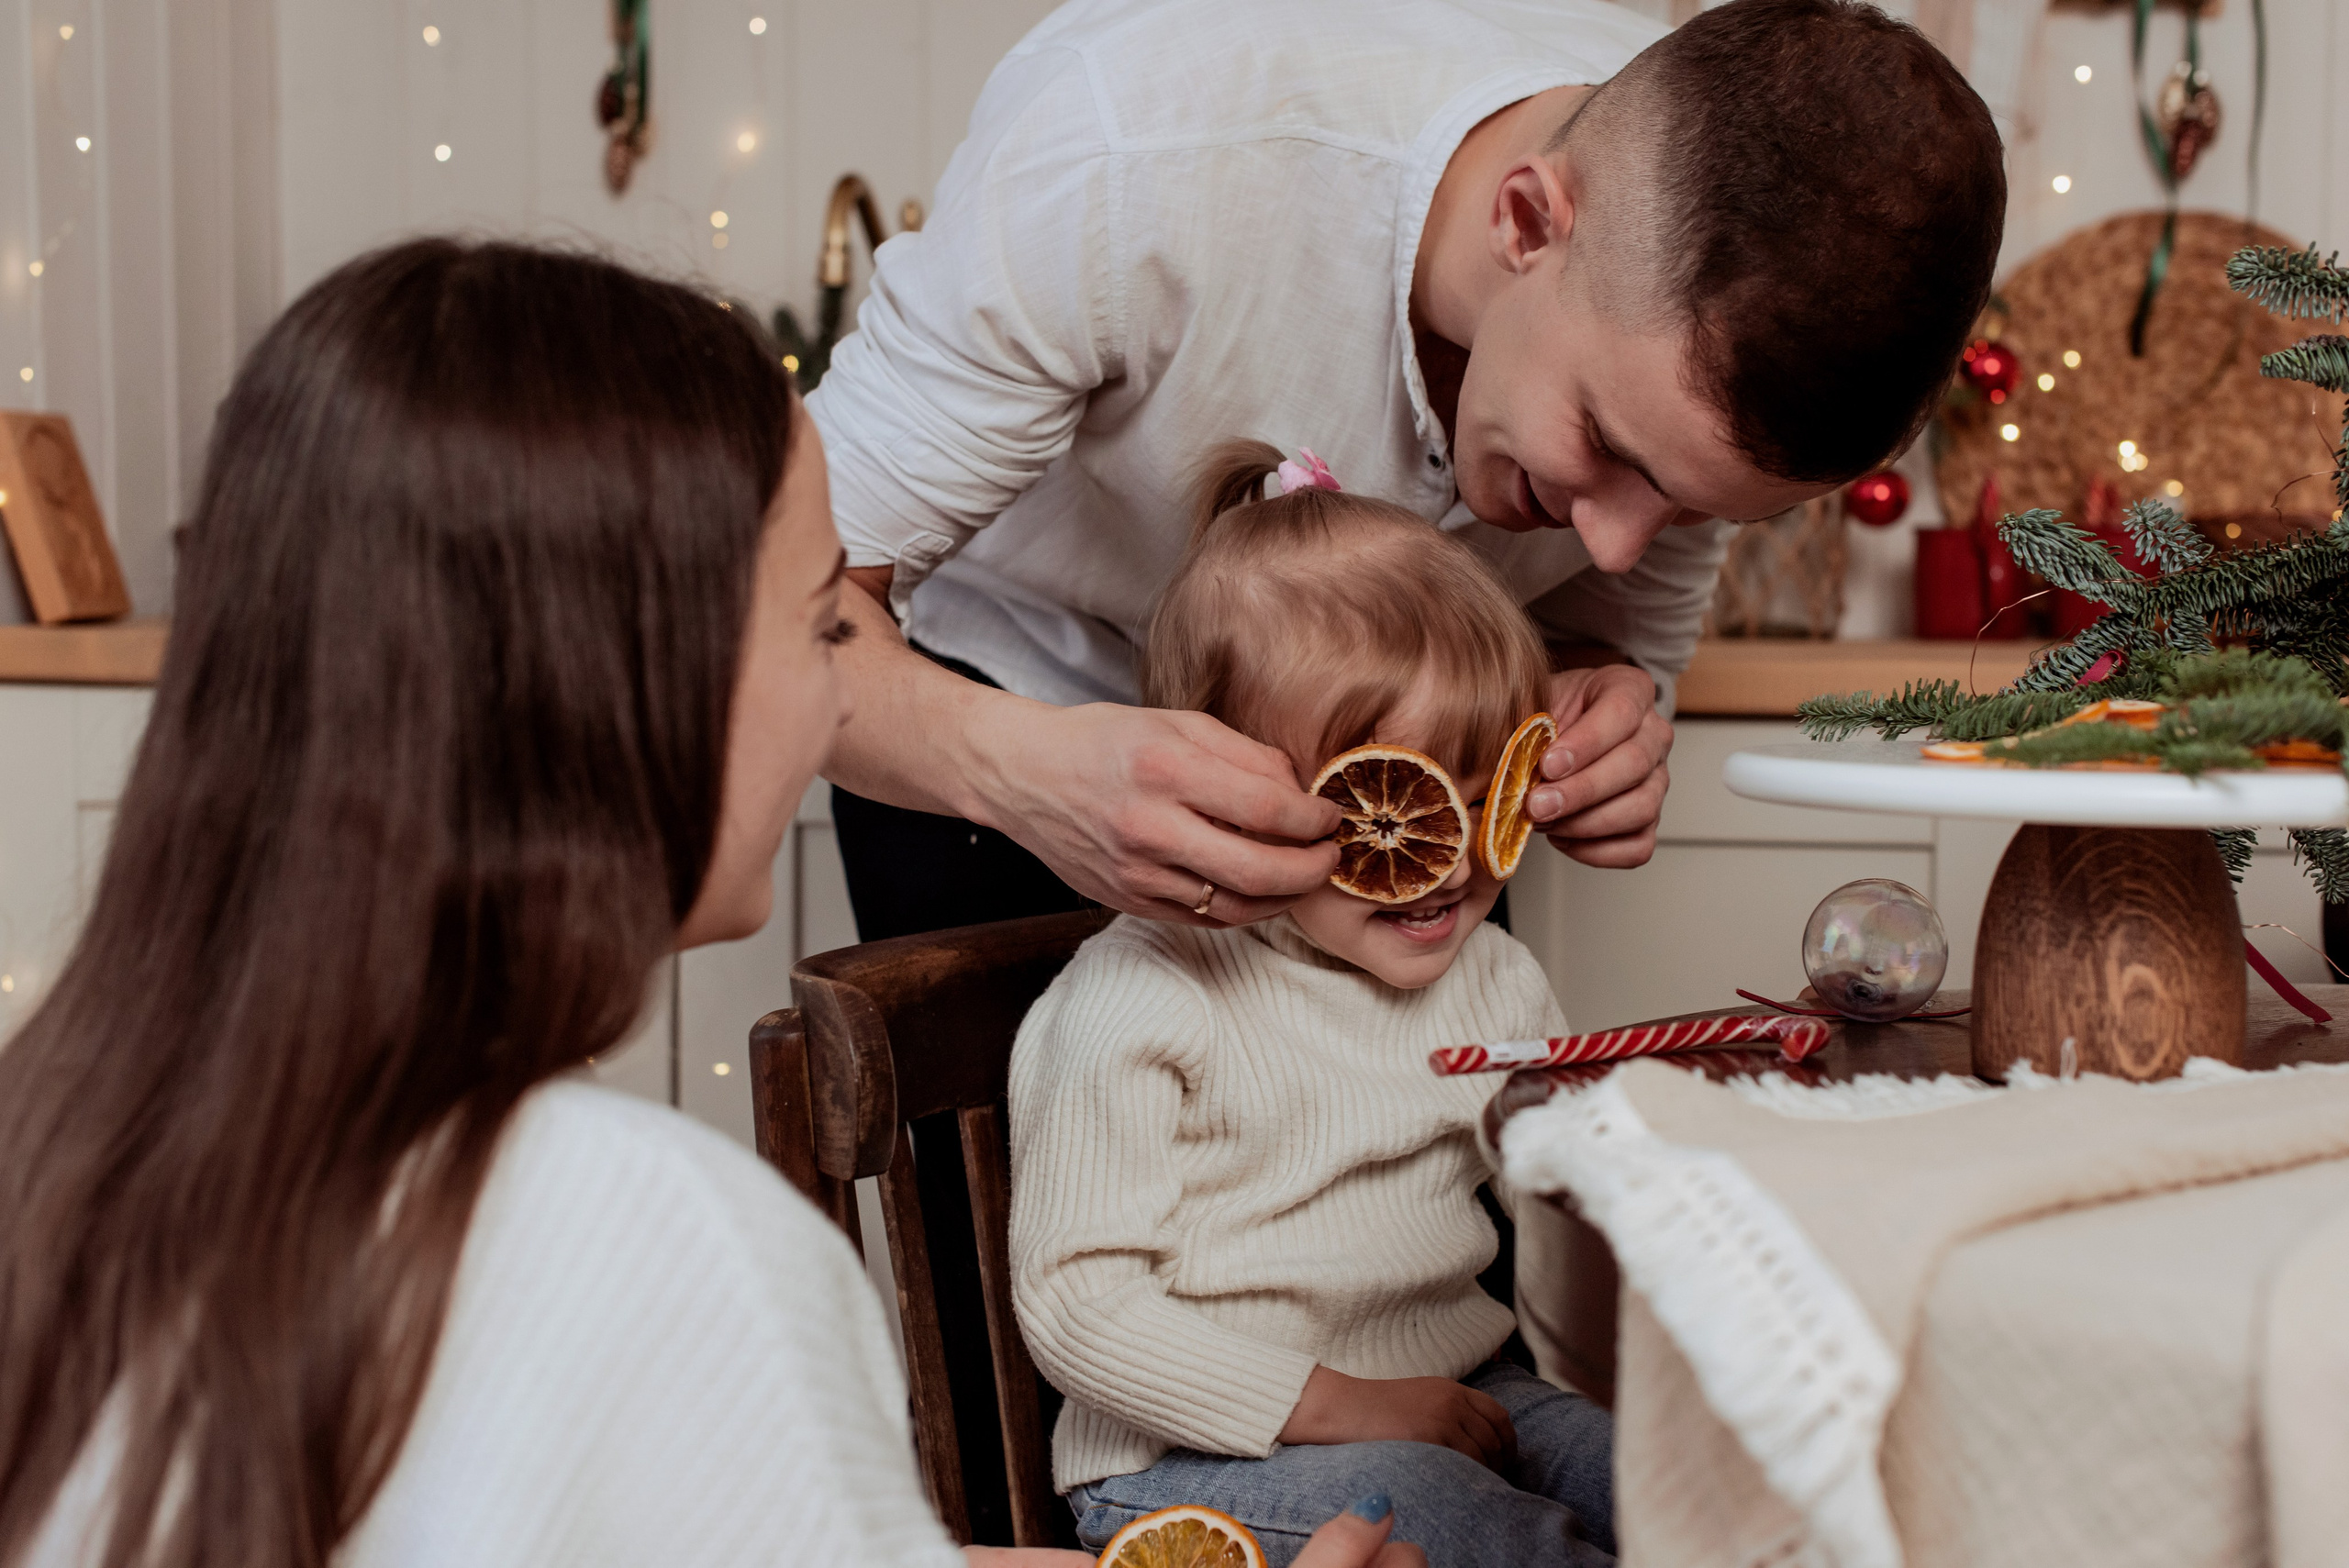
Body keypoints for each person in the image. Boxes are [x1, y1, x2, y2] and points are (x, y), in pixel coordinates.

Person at [0, 242, 1420, 1568]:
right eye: (819, 626)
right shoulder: (653, 1237)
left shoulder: (72, 1134)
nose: (842, 696)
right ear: (628, 677)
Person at [809, 0, 2004, 945]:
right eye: (1610, 449)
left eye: (1694, 507)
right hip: (1001, 710)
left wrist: (1605, 703)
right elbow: (776, 619)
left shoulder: (1715, 273)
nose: (1618, 547)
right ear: (1529, 222)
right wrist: (1019, 772)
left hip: (1404, 788)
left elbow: (1599, 633)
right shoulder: (1133, 152)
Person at [1008, 442, 1616, 1568]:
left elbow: (1569, 1206)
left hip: (1461, 1392)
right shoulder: (1140, 997)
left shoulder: (1496, 978)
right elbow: (1080, 1311)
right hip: (1191, 1455)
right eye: (1391, 810)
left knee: (1658, 1472)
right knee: (1467, 1517)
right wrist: (1345, 1402)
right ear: (1226, 790)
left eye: (1483, 805)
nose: (1443, 865)